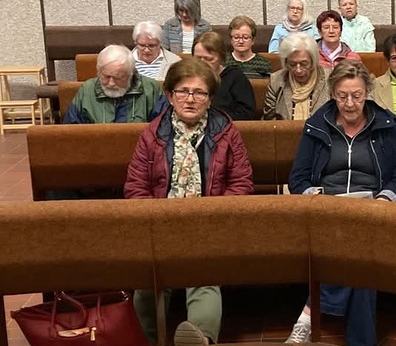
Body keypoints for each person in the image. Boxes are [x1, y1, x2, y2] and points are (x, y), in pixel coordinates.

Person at [125, 57, 254, 346]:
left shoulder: (226, 132)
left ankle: (200, 339)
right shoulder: (152, 135)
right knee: (148, 282)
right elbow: (136, 187)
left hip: (209, 223)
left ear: (210, 98)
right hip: (159, 224)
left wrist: (211, 215)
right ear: (170, 95)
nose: (191, 99)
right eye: (183, 91)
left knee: (203, 273)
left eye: (199, 92)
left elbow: (241, 184)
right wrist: (156, 220)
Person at [285, 60, 396, 346]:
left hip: (374, 212)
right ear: (333, 93)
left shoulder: (387, 124)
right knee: (360, 256)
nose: (350, 103)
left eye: (357, 95)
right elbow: (298, 178)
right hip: (326, 212)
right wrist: (315, 198)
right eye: (342, 96)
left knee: (359, 243)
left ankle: (308, 314)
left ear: (367, 93)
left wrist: (385, 199)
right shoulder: (317, 125)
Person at [64, 45, 163, 124]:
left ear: (130, 74)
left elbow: (163, 129)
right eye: (106, 76)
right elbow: (71, 131)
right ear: (99, 72)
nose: (111, 83)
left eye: (118, 78)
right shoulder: (87, 90)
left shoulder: (151, 89)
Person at [262, 32, 330, 121]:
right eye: (292, 64)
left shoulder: (329, 79)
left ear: (313, 61)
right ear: (286, 63)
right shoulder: (276, 80)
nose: (298, 70)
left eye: (304, 64)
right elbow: (269, 120)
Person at [193, 31, 256, 120]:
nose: (202, 63)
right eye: (198, 58)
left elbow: (246, 114)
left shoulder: (235, 77)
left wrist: (216, 120)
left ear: (221, 58)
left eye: (209, 59)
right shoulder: (186, 77)